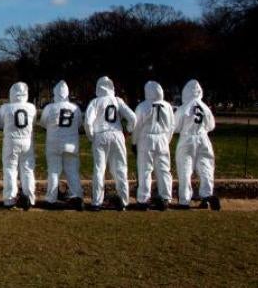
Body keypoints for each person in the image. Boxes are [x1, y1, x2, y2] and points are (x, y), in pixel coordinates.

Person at [84, 76, 137, 211]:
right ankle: (124, 201)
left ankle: (97, 202)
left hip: (100, 135)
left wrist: (91, 137)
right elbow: (133, 117)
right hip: (117, 134)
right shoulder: (118, 101)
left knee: (99, 169)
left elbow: (88, 122)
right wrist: (128, 130)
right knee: (120, 169)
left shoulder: (95, 102)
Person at [175, 79, 220, 210]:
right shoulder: (205, 108)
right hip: (203, 138)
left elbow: (175, 126)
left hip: (187, 139)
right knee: (206, 168)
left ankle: (184, 201)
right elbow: (211, 126)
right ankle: (207, 196)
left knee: (185, 169)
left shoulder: (183, 108)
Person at [39, 81, 83, 209]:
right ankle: (76, 196)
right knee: (72, 171)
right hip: (71, 144)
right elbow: (79, 124)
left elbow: (43, 123)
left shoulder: (50, 108)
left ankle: (51, 198)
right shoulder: (75, 108)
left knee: (53, 171)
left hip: (54, 143)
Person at [132, 81, 175, 210]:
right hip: (162, 138)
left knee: (145, 170)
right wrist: (167, 140)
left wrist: (134, 142)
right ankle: (166, 197)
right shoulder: (167, 106)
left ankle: (143, 199)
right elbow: (171, 126)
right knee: (164, 169)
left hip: (146, 139)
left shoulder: (142, 106)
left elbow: (136, 126)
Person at [0, 82, 37, 210]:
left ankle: (10, 199)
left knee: (10, 170)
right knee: (28, 170)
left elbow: (1, 123)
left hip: (11, 141)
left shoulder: (5, 108)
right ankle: (30, 198)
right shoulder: (31, 107)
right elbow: (33, 122)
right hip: (27, 142)